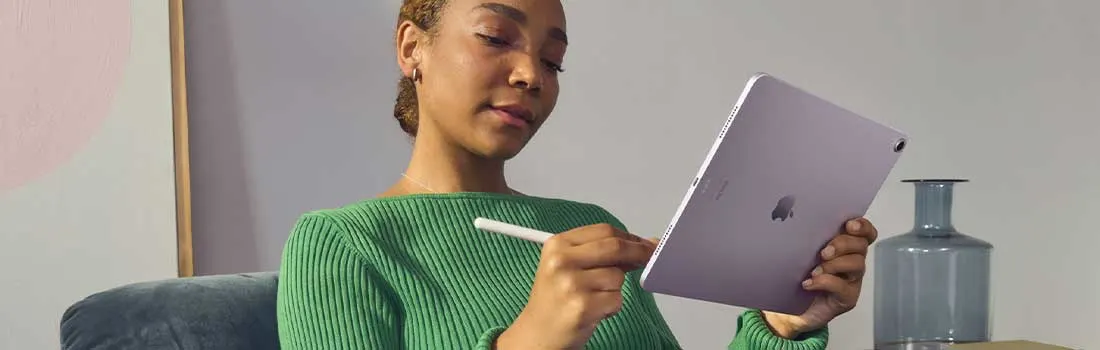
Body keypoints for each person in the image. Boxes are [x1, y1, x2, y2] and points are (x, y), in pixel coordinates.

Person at [275, 0, 879, 349]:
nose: (530, 75)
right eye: (494, 37)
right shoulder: (342, 243)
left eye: (552, 59)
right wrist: (532, 339)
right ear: (412, 48)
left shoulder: (588, 228)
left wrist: (783, 326)